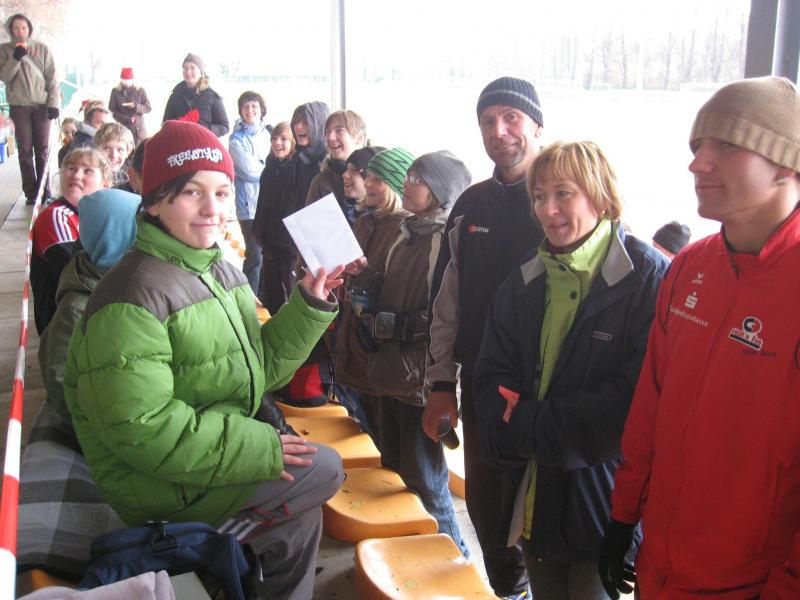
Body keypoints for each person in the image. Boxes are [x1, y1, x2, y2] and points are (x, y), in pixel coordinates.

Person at [63, 121, 345, 599]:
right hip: (158, 483)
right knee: (325, 469)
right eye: (192, 192)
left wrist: (309, 304)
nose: (212, 209)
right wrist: (261, 447)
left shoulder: (219, 271)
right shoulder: (130, 298)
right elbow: (144, 430)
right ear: (154, 201)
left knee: (300, 522)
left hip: (202, 456)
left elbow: (259, 369)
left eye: (222, 192)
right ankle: (190, 549)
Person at [599, 76, 800, 599]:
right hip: (661, 565)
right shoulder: (691, 267)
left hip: (751, 583)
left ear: (785, 163)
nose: (697, 164)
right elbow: (651, 408)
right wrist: (623, 516)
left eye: (726, 145)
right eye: (696, 147)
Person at [473, 141, 668, 599]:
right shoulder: (525, 279)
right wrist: (507, 427)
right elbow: (491, 376)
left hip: (603, 502)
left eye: (563, 193)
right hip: (532, 494)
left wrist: (523, 423)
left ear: (601, 196)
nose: (548, 210)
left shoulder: (647, 278)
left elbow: (632, 402)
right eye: (539, 196)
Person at [422, 76, 545, 599]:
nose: (499, 131)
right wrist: (439, 384)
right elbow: (445, 302)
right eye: (488, 121)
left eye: (511, 118)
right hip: (481, 387)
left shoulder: (562, 199)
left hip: (546, 392)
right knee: (489, 512)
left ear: (537, 125)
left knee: (544, 524)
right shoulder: (470, 205)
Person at [18, 189, 139, 580]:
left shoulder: (119, 282)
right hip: (97, 428)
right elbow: (59, 382)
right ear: (117, 238)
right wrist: (104, 426)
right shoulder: (77, 307)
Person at [359, 150, 472, 555]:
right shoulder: (405, 232)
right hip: (390, 370)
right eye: (408, 176)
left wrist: (398, 327)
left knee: (426, 481)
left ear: (440, 191)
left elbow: (445, 314)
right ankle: (407, 557)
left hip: (419, 380)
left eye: (418, 179)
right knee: (393, 468)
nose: (407, 185)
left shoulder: (444, 240)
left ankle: (456, 560)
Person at [334, 145, 402, 436]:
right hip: (354, 337)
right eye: (369, 176)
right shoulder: (364, 222)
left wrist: (363, 275)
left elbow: (397, 292)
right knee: (368, 425)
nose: (368, 183)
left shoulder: (404, 229)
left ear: (395, 185)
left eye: (377, 179)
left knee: (387, 434)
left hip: (378, 347)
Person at [254, 102, 329, 314]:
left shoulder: (326, 164)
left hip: (310, 249)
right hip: (288, 243)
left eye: (305, 122)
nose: (299, 126)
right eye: (296, 121)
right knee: (276, 299)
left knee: (304, 303)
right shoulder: (296, 161)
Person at [31, 147, 111, 334]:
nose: (76, 175)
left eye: (87, 171)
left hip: (86, 314)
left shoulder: (97, 216)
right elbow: (75, 273)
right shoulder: (57, 216)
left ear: (105, 183)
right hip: (65, 324)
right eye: (71, 168)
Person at [0, 13, 59, 204]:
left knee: (42, 151)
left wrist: (53, 104)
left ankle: (44, 190)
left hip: (42, 106)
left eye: (23, 28)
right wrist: (16, 57)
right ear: (10, 30)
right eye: (16, 28)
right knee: (25, 151)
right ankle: (30, 192)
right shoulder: (4, 50)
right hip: (19, 107)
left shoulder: (41, 49)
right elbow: (5, 77)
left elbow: (52, 78)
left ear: (29, 29)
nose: (20, 31)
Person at [230, 91, 272, 295]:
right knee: (255, 255)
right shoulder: (236, 139)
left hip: (270, 204)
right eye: (246, 107)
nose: (250, 110)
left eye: (254, 106)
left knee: (270, 255)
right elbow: (249, 171)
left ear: (261, 109)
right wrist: (271, 168)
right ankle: (249, 298)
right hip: (249, 207)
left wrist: (267, 167)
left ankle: (265, 296)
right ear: (240, 111)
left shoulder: (269, 134)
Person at [307, 109, 368, 223]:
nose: (330, 137)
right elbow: (311, 226)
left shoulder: (376, 177)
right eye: (327, 132)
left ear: (359, 138)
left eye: (339, 130)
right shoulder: (322, 182)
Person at [162, 53, 229, 137]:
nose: (188, 71)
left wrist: (202, 130)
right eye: (185, 68)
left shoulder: (212, 97)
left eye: (192, 68)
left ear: (201, 72)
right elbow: (165, 124)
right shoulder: (175, 96)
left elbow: (224, 126)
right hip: (181, 142)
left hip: (204, 142)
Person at [108, 67, 151, 145]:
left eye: (128, 80)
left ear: (133, 79)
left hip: (139, 130)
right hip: (123, 128)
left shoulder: (140, 91)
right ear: (121, 79)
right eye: (124, 80)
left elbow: (148, 108)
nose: (126, 82)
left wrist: (136, 107)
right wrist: (127, 119)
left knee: (141, 149)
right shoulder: (115, 91)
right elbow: (112, 111)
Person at [93, 122, 134, 187]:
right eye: (106, 148)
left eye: (120, 150)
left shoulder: (126, 179)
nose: (113, 155)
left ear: (128, 152)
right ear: (95, 150)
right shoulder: (89, 178)